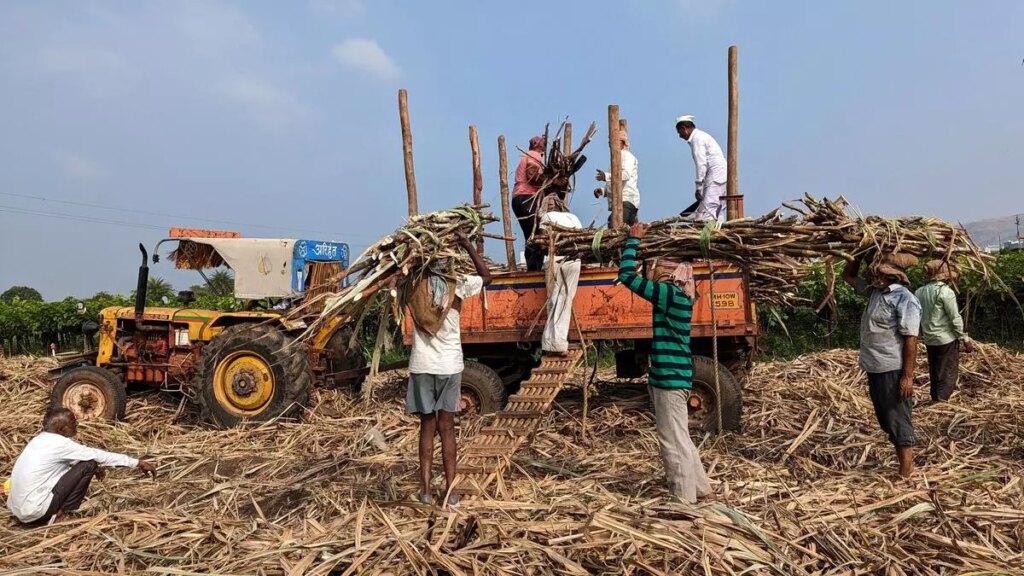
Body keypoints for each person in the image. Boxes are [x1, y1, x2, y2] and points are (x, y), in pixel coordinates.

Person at [618, 221, 711, 503]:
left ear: (671, 275)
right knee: (681, 436)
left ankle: (683, 500)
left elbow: (626, 276)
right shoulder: (682, 297)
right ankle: (702, 489)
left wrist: (633, 242)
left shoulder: (670, 295)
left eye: (659, 267)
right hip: (673, 376)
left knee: (672, 441)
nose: (654, 272)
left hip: (670, 380)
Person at [405, 231, 492, 507]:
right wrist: (468, 245)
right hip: (450, 366)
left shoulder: (415, 285)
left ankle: (427, 491)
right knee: (447, 428)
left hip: (422, 366)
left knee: (427, 427)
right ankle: (452, 491)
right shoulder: (459, 284)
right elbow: (487, 277)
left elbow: (397, 275)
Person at [842, 252, 922, 478]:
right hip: (874, 366)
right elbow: (847, 276)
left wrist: (907, 376)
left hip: (892, 368)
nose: (873, 275)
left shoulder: (904, 299)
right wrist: (856, 253)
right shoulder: (875, 292)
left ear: (892, 275)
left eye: (877, 272)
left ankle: (906, 471)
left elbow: (911, 338)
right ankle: (903, 466)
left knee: (897, 417)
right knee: (886, 418)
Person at [7, 408, 156, 525]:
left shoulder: (39, 440)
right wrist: (137, 463)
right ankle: (63, 514)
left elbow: (69, 463)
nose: (77, 424)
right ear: (61, 429)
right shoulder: (60, 444)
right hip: (35, 511)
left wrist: (98, 468)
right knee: (89, 464)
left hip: (20, 510)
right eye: (73, 422)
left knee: (88, 463)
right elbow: (96, 456)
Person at [915, 260, 973, 402]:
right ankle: (941, 401)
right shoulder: (946, 292)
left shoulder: (919, 292)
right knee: (947, 372)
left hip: (929, 339)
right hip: (945, 339)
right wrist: (965, 339)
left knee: (934, 370)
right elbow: (954, 318)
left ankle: (935, 398)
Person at [539, 198, 582, 354]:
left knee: (554, 300)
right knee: (565, 300)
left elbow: (544, 243)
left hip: (556, 260)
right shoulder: (574, 218)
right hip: (574, 260)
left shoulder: (547, 217)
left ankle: (554, 343)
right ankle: (554, 342)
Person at [675, 115, 727, 222]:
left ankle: (709, 236)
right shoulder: (701, 136)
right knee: (717, 209)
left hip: (715, 175)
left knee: (708, 212)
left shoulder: (697, 139)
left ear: (685, 128)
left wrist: (699, 186)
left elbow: (701, 164)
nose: (679, 136)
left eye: (679, 132)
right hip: (718, 175)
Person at [511, 135, 547, 271]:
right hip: (527, 197)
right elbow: (532, 176)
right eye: (543, 145)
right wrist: (549, 180)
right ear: (538, 145)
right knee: (536, 233)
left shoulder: (526, 156)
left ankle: (533, 267)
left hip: (518, 198)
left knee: (530, 235)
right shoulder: (534, 155)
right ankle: (534, 268)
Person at [594, 131, 640, 226]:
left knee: (615, 225)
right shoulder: (617, 158)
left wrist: (606, 176)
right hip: (623, 202)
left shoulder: (626, 156)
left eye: (613, 140)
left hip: (626, 202)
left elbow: (625, 175)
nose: (610, 143)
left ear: (622, 142)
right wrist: (604, 191)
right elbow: (618, 184)